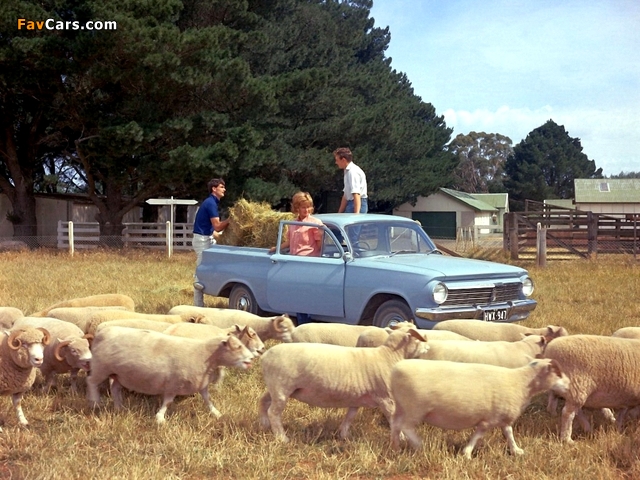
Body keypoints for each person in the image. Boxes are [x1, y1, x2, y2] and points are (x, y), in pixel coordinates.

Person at [269, 191, 323, 324]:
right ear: (297, 208)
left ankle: (305, 323)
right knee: (295, 293)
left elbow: (320, 244)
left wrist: (317, 258)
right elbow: (289, 241)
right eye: (303, 207)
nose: (307, 210)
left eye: (309, 207)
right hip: (293, 262)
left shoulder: (315, 222)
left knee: (305, 295)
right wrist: (277, 248)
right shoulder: (293, 223)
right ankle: (298, 321)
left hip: (308, 262)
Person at [191, 178, 230, 307]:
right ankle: (198, 305)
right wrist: (231, 220)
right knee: (200, 272)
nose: (224, 189)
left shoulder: (211, 202)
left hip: (207, 237)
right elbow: (218, 226)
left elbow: (212, 228)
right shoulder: (211, 204)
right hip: (202, 241)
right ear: (214, 189)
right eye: (222, 187)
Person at [334, 147, 368, 214]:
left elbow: (356, 194)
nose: (336, 162)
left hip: (357, 204)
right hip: (351, 203)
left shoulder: (352, 172)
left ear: (343, 160)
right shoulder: (347, 171)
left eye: (337, 160)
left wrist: (356, 214)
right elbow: (346, 194)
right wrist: (339, 213)